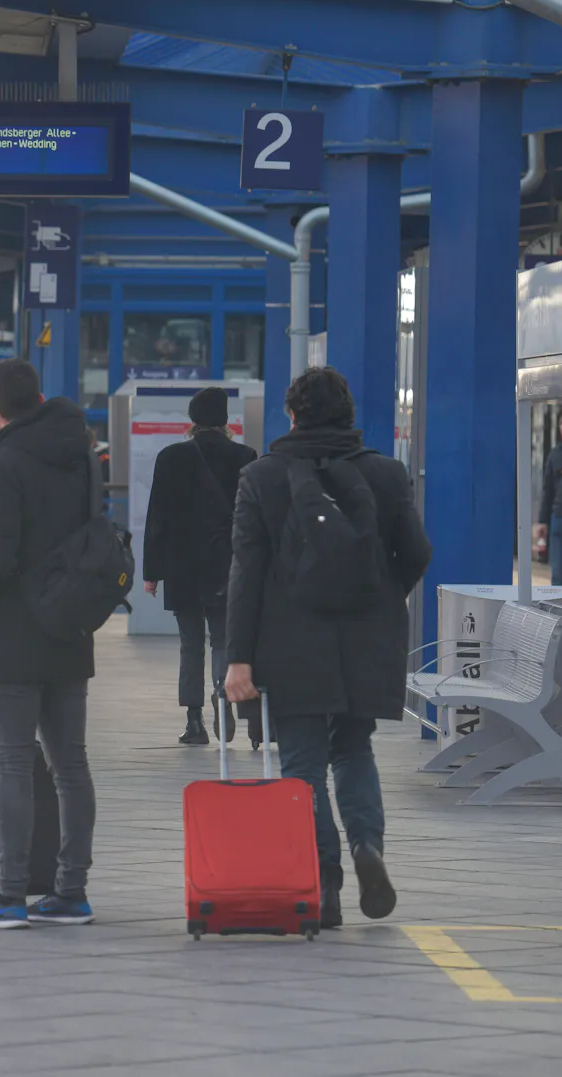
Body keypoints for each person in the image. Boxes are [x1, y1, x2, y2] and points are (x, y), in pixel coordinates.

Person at [226, 367, 432, 928]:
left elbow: (247, 571)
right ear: (348, 416)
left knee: (302, 767)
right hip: (367, 642)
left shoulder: (262, 477)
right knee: (354, 749)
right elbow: (416, 552)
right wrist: (381, 595)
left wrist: (237, 656)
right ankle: (368, 845)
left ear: (291, 416)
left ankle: (325, 887)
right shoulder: (387, 475)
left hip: (291, 644)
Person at [0, 358, 99, 929]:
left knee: (11, 763)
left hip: (12, 631)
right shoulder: (82, 453)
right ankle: (71, 892)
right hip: (69, 623)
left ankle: (9, 895)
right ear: (40, 395)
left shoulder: (4, 464)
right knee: (71, 764)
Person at [142, 387, 259, 747]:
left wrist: (151, 572)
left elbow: (157, 516)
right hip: (227, 566)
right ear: (226, 421)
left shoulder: (171, 456)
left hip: (183, 566)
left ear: (192, 420)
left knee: (190, 645)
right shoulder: (246, 456)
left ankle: (194, 723)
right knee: (223, 639)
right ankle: (223, 694)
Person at [537, 412, 562, 585]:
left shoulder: (556, 454)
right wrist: (543, 520)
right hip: (559, 516)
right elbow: (547, 489)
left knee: (559, 571)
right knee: (557, 572)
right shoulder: (555, 454)